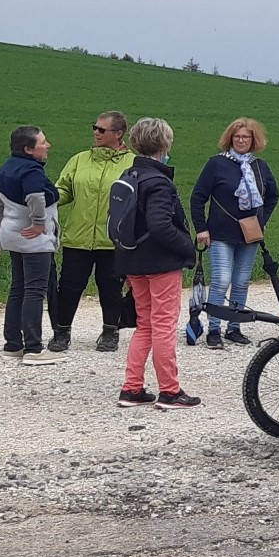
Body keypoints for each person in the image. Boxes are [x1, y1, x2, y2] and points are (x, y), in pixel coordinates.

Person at [115, 117, 201, 409]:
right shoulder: (159, 182)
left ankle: (132, 387)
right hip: (160, 262)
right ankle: (170, 391)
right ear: (164, 145)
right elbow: (161, 225)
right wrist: (187, 248)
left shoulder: (130, 175)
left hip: (132, 260)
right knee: (164, 325)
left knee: (145, 325)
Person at [49, 110, 136, 354]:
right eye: (94, 128)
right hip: (78, 237)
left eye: (101, 129)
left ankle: (110, 332)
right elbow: (64, 189)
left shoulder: (132, 164)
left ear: (119, 134)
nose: (96, 132)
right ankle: (61, 332)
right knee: (68, 287)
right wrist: (46, 198)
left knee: (110, 288)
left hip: (113, 240)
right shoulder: (79, 160)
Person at [190, 117, 279, 350]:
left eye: (246, 137)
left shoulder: (260, 167)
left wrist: (262, 221)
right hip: (220, 232)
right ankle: (213, 329)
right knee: (221, 280)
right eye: (237, 137)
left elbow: (272, 196)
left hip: (249, 235)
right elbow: (198, 197)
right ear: (230, 139)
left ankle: (234, 327)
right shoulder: (216, 164)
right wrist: (201, 228)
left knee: (241, 282)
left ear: (253, 140)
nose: (241, 140)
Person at [0, 125, 61, 365]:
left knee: (17, 288)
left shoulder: (5, 169)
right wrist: (39, 223)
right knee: (35, 291)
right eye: (42, 143)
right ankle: (34, 348)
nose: (47, 146)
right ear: (29, 149)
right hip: (33, 239)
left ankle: (13, 344)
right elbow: (36, 197)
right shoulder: (32, 171)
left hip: (11, 235)